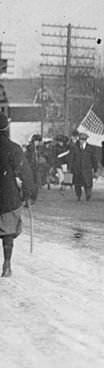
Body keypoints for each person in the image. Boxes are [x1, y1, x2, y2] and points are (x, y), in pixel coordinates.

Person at [0, 114, 37, 278]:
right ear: (6, 128)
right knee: (8, 231)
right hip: (7, 196)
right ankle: (7, 264)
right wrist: (29, 194)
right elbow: (25, 173)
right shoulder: (13, 148)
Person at [67, 131, 100, 202]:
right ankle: (78, 196)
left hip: (87, 169)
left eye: (84, 139)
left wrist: (96, 169)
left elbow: (94, 159)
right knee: (77, 184)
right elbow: (70, 158)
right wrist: (69, 168)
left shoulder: (90, 148)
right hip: (77, 169)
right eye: (81, 139)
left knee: (88, 183)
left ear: (86, 140)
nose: (82, 141)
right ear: (79, 139)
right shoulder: (74, 147)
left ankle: (88, 194)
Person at [24, 134, 47, 202]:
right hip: (31, 168)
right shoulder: (30, 148)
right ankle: (30, 199)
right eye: (38, 141)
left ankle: (32, 199)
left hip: (35, 168)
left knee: (35, 184)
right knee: (32, 185)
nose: (39, 143)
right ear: (35, 141)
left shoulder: (37, 148)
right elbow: (29, 159)